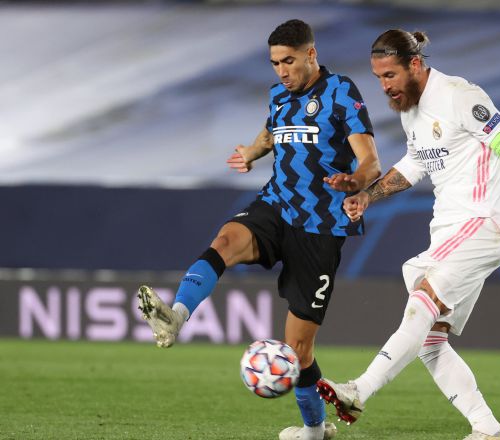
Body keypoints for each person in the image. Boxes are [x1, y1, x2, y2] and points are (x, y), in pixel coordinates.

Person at [314, 30, 500, 440]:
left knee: (423, 303)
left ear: (414, 64)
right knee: (430, 343)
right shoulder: (410, 110)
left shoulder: (459, 95)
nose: (385, 87)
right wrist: (367, 196)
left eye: (390, 75)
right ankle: (488, 430)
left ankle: (358, 389)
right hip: (449, 231)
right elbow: (416, 164)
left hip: (481, 222)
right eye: (379, 78)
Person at [136, 19, 381, 440]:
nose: (281, 71)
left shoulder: (341, 92)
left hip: (320, 224)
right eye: (274, 63)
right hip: (276, 204)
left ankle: (314, 430)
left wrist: (355, 182)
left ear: (311, 54)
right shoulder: (278, 95)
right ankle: (176, 317)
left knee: (298, 349)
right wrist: (251, 152)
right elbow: (272, 132)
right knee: (225, 240)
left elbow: (371, 162)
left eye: (288, 61)